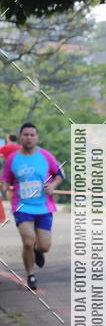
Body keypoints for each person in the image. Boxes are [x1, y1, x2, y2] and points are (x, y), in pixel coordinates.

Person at [0, 123, 64, 290]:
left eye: (32, 135)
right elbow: (5, 179)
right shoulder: (12, 159)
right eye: (26, 134)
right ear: (20, 137)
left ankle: (38, 250)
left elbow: (59, 174)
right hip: (22, 207)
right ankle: (31, 275)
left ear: (37, 137)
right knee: (28, 242)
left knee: (44, 246)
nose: (29, 137)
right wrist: (4, 186)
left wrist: (53, 185)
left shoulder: (46, 156)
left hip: (43, 207)